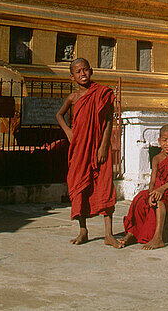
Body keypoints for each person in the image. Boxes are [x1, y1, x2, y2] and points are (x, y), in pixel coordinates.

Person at [56, 57, 116, 245]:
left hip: (99, 147)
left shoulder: (102, 93)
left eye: (85, 70)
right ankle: (83, 231)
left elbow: (108, 120)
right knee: (79, 185)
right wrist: (68, 131)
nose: (83, 74)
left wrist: (104, 146)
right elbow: (59, 115)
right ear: (72, 77)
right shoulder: (73, 98)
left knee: (105, 185)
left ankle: (109, 234)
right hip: (79, 148)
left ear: (91, 71)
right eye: (78, 71)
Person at [116, 124, 168, 249]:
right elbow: (152, 181)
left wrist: (161, 189)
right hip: (158, 189)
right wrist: (150, 194)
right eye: (164, 140)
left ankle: (158, 238)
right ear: (159, 141)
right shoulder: (156, 159)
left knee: (159, 202)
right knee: (140, 198)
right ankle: (131, 233)